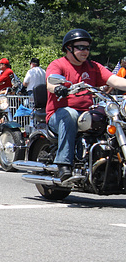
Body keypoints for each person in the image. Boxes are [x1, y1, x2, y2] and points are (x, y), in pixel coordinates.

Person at [45, 28, 126, 180]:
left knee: (112, 116)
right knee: (70, 115)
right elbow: (50, 82)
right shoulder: (58, 65)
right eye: (80, 47)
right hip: (59, 114)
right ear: (69, 48)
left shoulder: (93, 66)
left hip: (86, 113)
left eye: (87, 48)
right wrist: (58, 88)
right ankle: (64, 164)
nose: (85, 51)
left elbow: (114, 80)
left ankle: (109, 159)